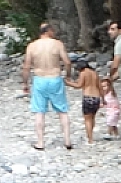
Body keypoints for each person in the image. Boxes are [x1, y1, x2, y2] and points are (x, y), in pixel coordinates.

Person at [21, 22, 72, 150]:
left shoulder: (32, 46)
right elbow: (67, 62)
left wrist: (25, 83)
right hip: (55, 78)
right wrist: (68, 75)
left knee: (39, 112)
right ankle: (67, 140)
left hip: (39, 79)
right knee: (62, 110)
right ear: (48, 31)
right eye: (52, 30)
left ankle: (40, 142)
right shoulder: (57, 44)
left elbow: (26, 66)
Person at [67, 61, 104, 143]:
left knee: (87, 119)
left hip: (88, 97)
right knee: (93, 117)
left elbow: (79, 85)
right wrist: (103, 99)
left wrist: (68, 83)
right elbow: (100, 87)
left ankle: (90, 139)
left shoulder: (83, 73)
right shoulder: (95, 73)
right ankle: (91, 134)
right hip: (96, 97)